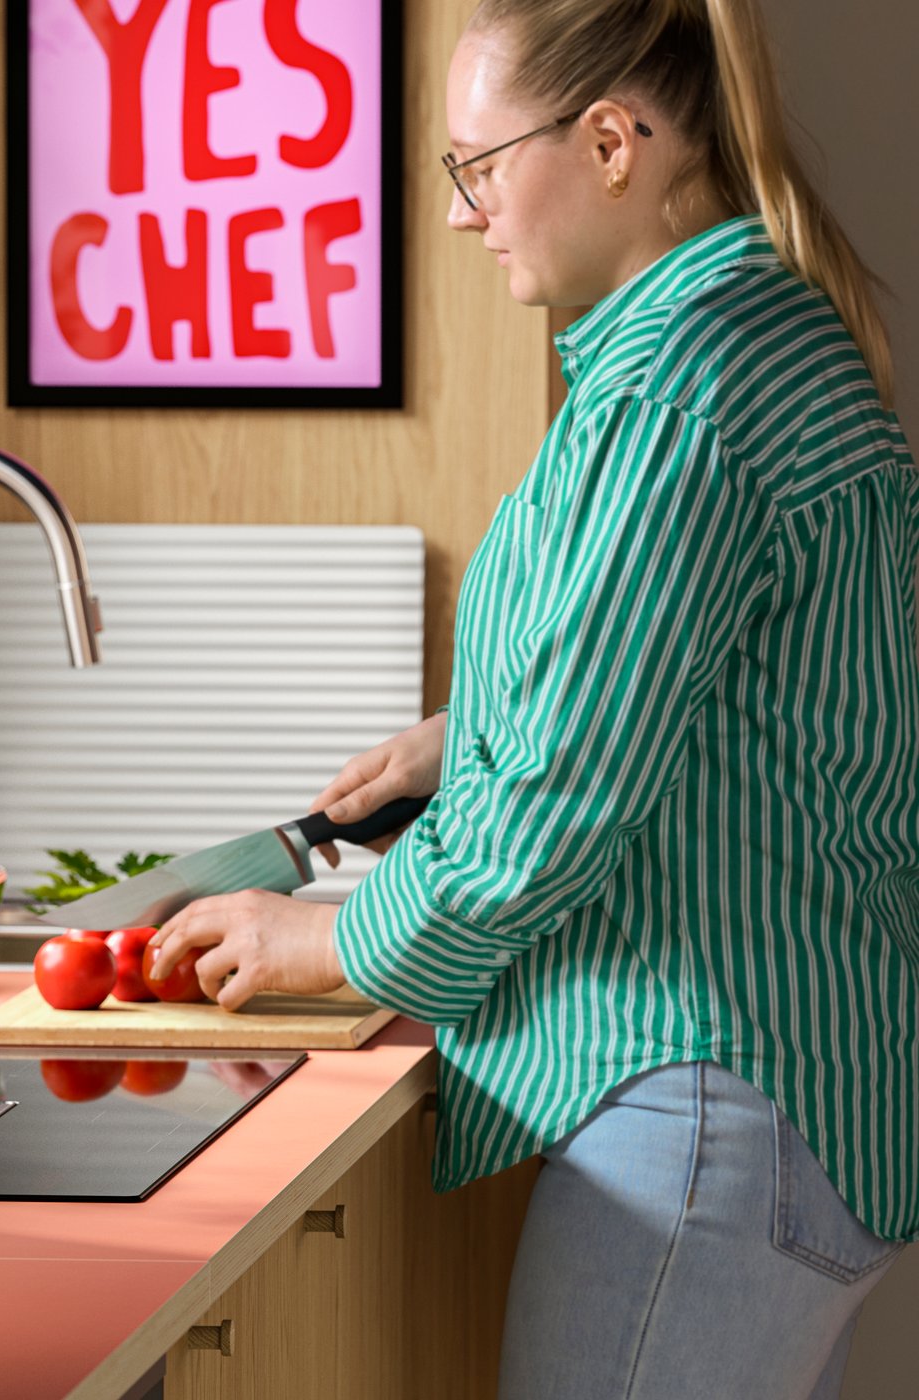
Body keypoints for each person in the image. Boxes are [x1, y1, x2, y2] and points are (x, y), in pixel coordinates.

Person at [146, 0, 919, 1395]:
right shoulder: (750, 340)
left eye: (476, 166)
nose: (462, 214)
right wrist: (472, 732)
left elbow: (554, 807)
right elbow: (753, 684)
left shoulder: (679, 396)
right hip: (788, 1093)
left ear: (613, 143)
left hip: (703, 1110)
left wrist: (320, 940)